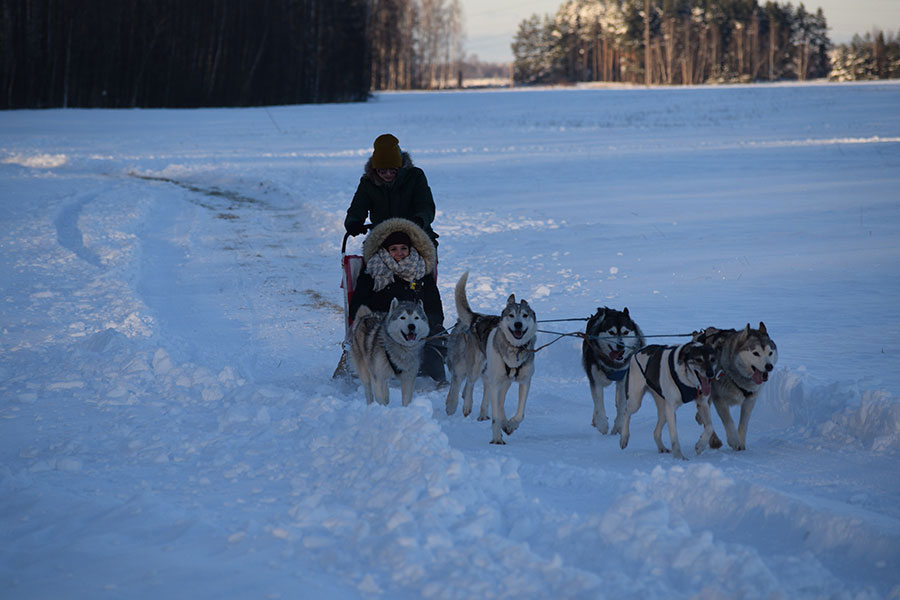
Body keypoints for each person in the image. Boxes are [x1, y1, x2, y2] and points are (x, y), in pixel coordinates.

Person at [349, 218, 446, 383]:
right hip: (381, 328)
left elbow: (434, 307)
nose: (399, 253)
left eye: (403, 248)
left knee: (438, 334)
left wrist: (427, 323)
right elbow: (357, 308)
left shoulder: (421, 272)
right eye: (393, 249)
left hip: (415, 327)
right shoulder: (372, 273)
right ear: (385, 251)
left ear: (411, 249)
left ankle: (437, 381)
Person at [344, 133, 438, 248]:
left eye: (393, 171)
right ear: (375, 170)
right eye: (382, 171)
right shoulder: (368, 183)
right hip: (382, 235)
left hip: (417, 233)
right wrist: (353, 222)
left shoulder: (415, 177)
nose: (388, 175)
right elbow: (358, 207)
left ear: (400, 167)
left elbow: (425, 205)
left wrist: (420, 220)